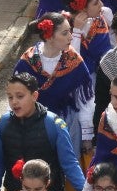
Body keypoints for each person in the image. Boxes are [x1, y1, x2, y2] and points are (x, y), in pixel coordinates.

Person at [0, 72, 88, 191]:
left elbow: (69, 163)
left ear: (34, 96)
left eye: (20, 96)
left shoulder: (53, 124)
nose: (14, 102)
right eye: (10, 97)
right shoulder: (2, 124)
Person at [16, 12, 96, 159]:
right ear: (49, 37)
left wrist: (86, 136)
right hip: (34, 125)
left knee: (68, 166)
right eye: (65, 33)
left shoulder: (74, 60)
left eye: (70, 31)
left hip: (67, 124)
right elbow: (16, 97)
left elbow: (85, 100)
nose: (70, 37)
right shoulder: (26, 62)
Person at [63, 0, 116, 78]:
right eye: (96, 3)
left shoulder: (103, 15)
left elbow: (115, 40)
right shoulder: (63, 24)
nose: (101, 4)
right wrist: (76, 31)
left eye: (99, 0)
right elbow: (71, 59)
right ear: (82, 7)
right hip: (79, 75)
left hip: (104, 71)